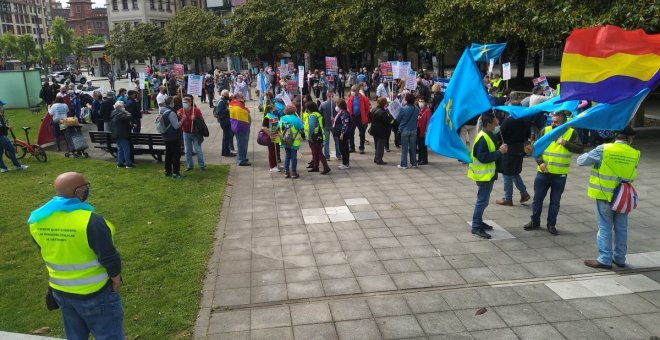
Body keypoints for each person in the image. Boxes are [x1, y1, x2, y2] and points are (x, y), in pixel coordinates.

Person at [28, 172, 124, 339]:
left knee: (75, 336)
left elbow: (46, 249)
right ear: (79, 191)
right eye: (85, 186)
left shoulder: (37, 219)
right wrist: (116, 279)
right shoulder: (91, 221)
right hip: (96, 293)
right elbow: (108, 256)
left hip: (61, 292)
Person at [578, 126, 640, 270]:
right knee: (621, 227)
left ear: (616, 136)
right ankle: (619, 258)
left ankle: (605, 259)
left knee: (605, 226)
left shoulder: (604, 149)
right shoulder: (635, 153)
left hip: (604, 194)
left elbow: (581, 161)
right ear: (630, 138)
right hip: (624, 195)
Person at [523, 111, 584, 235]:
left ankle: (551, 224)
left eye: (556, 122)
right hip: (543, 172)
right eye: (552, 121)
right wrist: (540, 162)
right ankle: (534, 221)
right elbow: (536, 148)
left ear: (564, 122)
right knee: (537, 199)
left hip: (560, 174)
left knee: (555, 201)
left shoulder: (571, 132)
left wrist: (565, 143)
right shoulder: (545, 130)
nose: (553, 124)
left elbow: (580, 149)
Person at [469, 113, 508, 239]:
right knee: (482, 201)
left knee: (483, 201)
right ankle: (476, 227)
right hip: (484, 176)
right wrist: (499, 152)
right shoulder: (483, 138)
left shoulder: (489, 134)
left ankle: (479, 222)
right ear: (489, 124)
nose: (497, 122)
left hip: (488, 174)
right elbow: (484, 157)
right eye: (495, 121)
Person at [496, 112, 531, 206]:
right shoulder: (526, 120)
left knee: (507, 174)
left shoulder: (508, 120)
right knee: (515, 173)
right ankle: (524, 193)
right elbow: (528, 135)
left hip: (509, 150)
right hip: (520, 149)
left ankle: (508, 198)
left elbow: (500, 135)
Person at [177, 96, 205, 171]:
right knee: (187, 151)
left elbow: (202, 121)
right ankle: (189, 166)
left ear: (190, 103)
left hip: (195, 133)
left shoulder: (196, 111)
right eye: (183, 102)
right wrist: (179, 116)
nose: (184, 104)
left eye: (186, 102)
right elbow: (177, 122)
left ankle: (202, 166)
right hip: (186, 133)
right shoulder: (180, 110)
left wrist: (195, 119)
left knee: (198, 150)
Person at [0, 100, 28, 172]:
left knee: (0, 152)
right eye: (1, 106)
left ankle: (3, 168)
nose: (2, 107)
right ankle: (17, 166)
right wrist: (7, 127)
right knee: (11, 149)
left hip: (2, 135)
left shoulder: (1, 114)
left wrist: (5, 125)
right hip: (1, 136)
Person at [305, 101, 331, 175]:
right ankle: (316, 167)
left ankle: (326, 167)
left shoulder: (312, 116)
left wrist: (309, 136)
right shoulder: (317, 114)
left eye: (306, 108)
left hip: (314, 136)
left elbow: (312, 127)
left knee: (319, 153)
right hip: (319, 136)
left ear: (309, 109)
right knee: (316, 152)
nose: (306, 110)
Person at [159, 96, 182, 178]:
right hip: (173, 136)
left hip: (165, 136)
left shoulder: (162, 110)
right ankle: (176, 172)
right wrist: (182, 120)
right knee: (176, 155)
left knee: (168, 154)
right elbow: (176, 126)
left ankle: (167, 171)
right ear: (172, 102)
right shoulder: (171, 112)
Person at [278, 105, 304, 178]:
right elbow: (301, 128)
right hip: (294, 142)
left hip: (285, 140)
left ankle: (286, 172)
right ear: (294, 111)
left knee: (287, 156)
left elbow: (278, 127)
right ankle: (294, 173)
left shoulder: (282, 118)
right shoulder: (296, 119)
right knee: (293, 157)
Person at [396, 93, 419, 169]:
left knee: (404, 148)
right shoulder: (416, 108)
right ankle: (414, 163)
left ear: (406, 100)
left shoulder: (403, 109)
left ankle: (404, 164)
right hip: (413, 129)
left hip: (405, 130)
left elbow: (398, 119)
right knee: (412, 147)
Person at [347, 85, 371, 154]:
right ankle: (352, 147)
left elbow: (367, 109)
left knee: (362, 133)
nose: (352, 92)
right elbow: (348, 107)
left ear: (357, 91)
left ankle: (361, 148)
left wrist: (363, 115)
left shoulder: (364, 98)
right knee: (351, 133)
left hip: (360, 117)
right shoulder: (350, 98)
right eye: (351, 90)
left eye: (354, 90)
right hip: (353, 117)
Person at [110, 101, 134, 168]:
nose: (124, 108)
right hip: (122, 134)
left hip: (116, 134)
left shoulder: (113, 113)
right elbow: (129, 117)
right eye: (123, 106)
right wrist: (126, 112)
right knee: (126, 149)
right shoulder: (121, 114)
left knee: (120, 149)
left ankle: (120, 163)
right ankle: (128, 164)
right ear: (119, 107)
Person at [229, 93, 251, 166]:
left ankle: (242, 157)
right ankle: (241, 160)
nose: (243, 98)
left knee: (241, 144)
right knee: (242, 144)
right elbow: (244, 113)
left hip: (238, 127)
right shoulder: (237, 105)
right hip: (241, 127)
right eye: (241, 97)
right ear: (237, 97)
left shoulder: (233, 104)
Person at [370, 97, 390, 165]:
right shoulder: (383, 112)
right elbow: (386, 122)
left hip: (374, 130)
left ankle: (376, 157)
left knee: (376, 144)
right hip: (381, 131)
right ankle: (379, 159)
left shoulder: (374, 109)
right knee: (380, 145)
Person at [319, 89, 337, 160]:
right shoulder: (336, 103)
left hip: (326, 125)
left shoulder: (323, 104)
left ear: (327, 95)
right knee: (337, 141)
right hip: (334, 125)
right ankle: (338, 154)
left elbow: (319, 114)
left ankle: (327, 156)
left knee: (326, 142)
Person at [333, 99, 351, 170]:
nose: (336, 106)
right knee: (344, 147)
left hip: (343, 134)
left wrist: (342, 134)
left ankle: (345, 163)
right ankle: (346, 162)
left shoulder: (344, 113)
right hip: (341, 132)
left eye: (337, 105)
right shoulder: (341, 112)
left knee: (343, 148)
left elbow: (345, 124)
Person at [262, 103, 280, 172]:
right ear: (271, 109)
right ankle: (272, 166)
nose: (276, 108)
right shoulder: (267, 117)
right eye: (274, 107)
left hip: (275, 136)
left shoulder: (273, 115)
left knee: (276, 151)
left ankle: (276, 164)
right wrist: (270, 135)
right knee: (272, 151)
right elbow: (264, 128)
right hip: (271, 137)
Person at [417, 97, 431, 165]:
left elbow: (428, 121)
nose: (420, 102)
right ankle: (420, 158)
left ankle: (424, 159)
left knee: (423, 146)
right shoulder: (420, 110)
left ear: (425, 102)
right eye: (419, 101)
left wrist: (427, 131)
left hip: (424, 130)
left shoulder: (427, 111)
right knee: (419, 145)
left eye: (422, 101)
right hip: (419, 129)